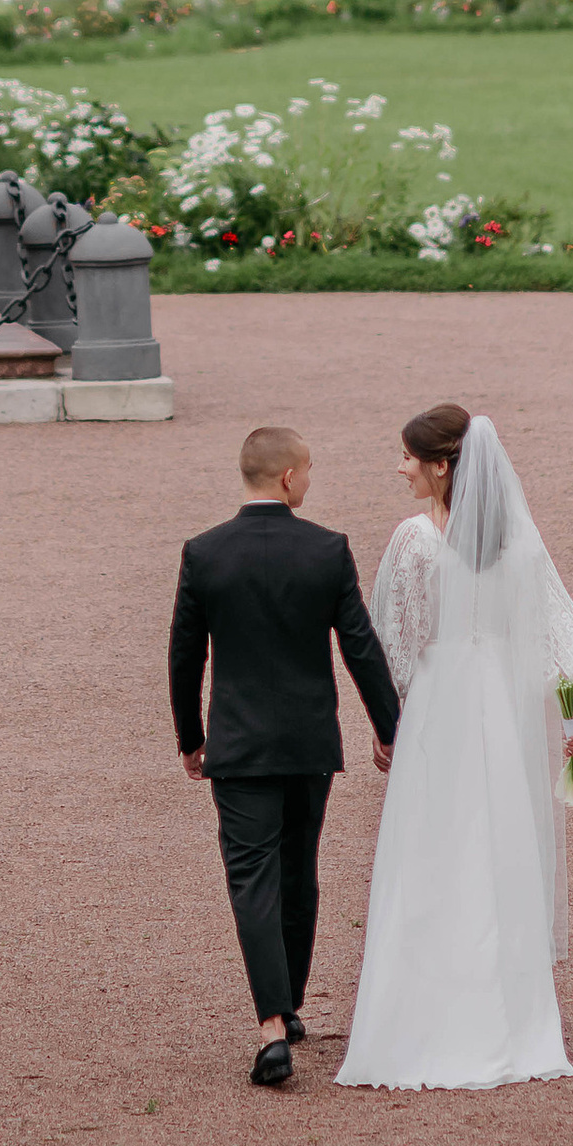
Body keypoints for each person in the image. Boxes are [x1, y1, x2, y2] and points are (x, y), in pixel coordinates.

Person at [338, 406, 573, 1093]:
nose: (399, 468)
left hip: (440, 701)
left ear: (442, 465)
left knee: (429, 846)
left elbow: (399, 638)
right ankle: (508, 1015)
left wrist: (387, 718)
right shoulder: (517, 540)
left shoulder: (417, 540)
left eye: (407, 457)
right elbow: (556, 634)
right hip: (501, 709)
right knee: (497, 844)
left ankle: (420, 1012)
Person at [169, 425, 401, 1089]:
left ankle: (272, 1021)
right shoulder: (326, 549)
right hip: (308, 743)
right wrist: (389, 727)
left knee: (252, 877)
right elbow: (360, 645)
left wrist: (190, 736)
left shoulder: (205, 553)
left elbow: (187, 654)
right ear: (290, 478)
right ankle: (289, 1003)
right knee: (299, 871)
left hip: (238, 744)